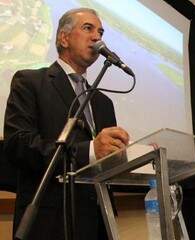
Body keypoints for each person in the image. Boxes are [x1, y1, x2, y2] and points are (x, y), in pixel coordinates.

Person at [3, 8, 129, 240]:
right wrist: (90, 150)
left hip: (98, 224)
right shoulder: (30, 82)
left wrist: (129, 158)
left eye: (100, 31)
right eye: (88, 28)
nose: (96, 37)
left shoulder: (103, 102)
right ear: (63, 37)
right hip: (49, 223)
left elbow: (105, 164)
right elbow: (18, 144)